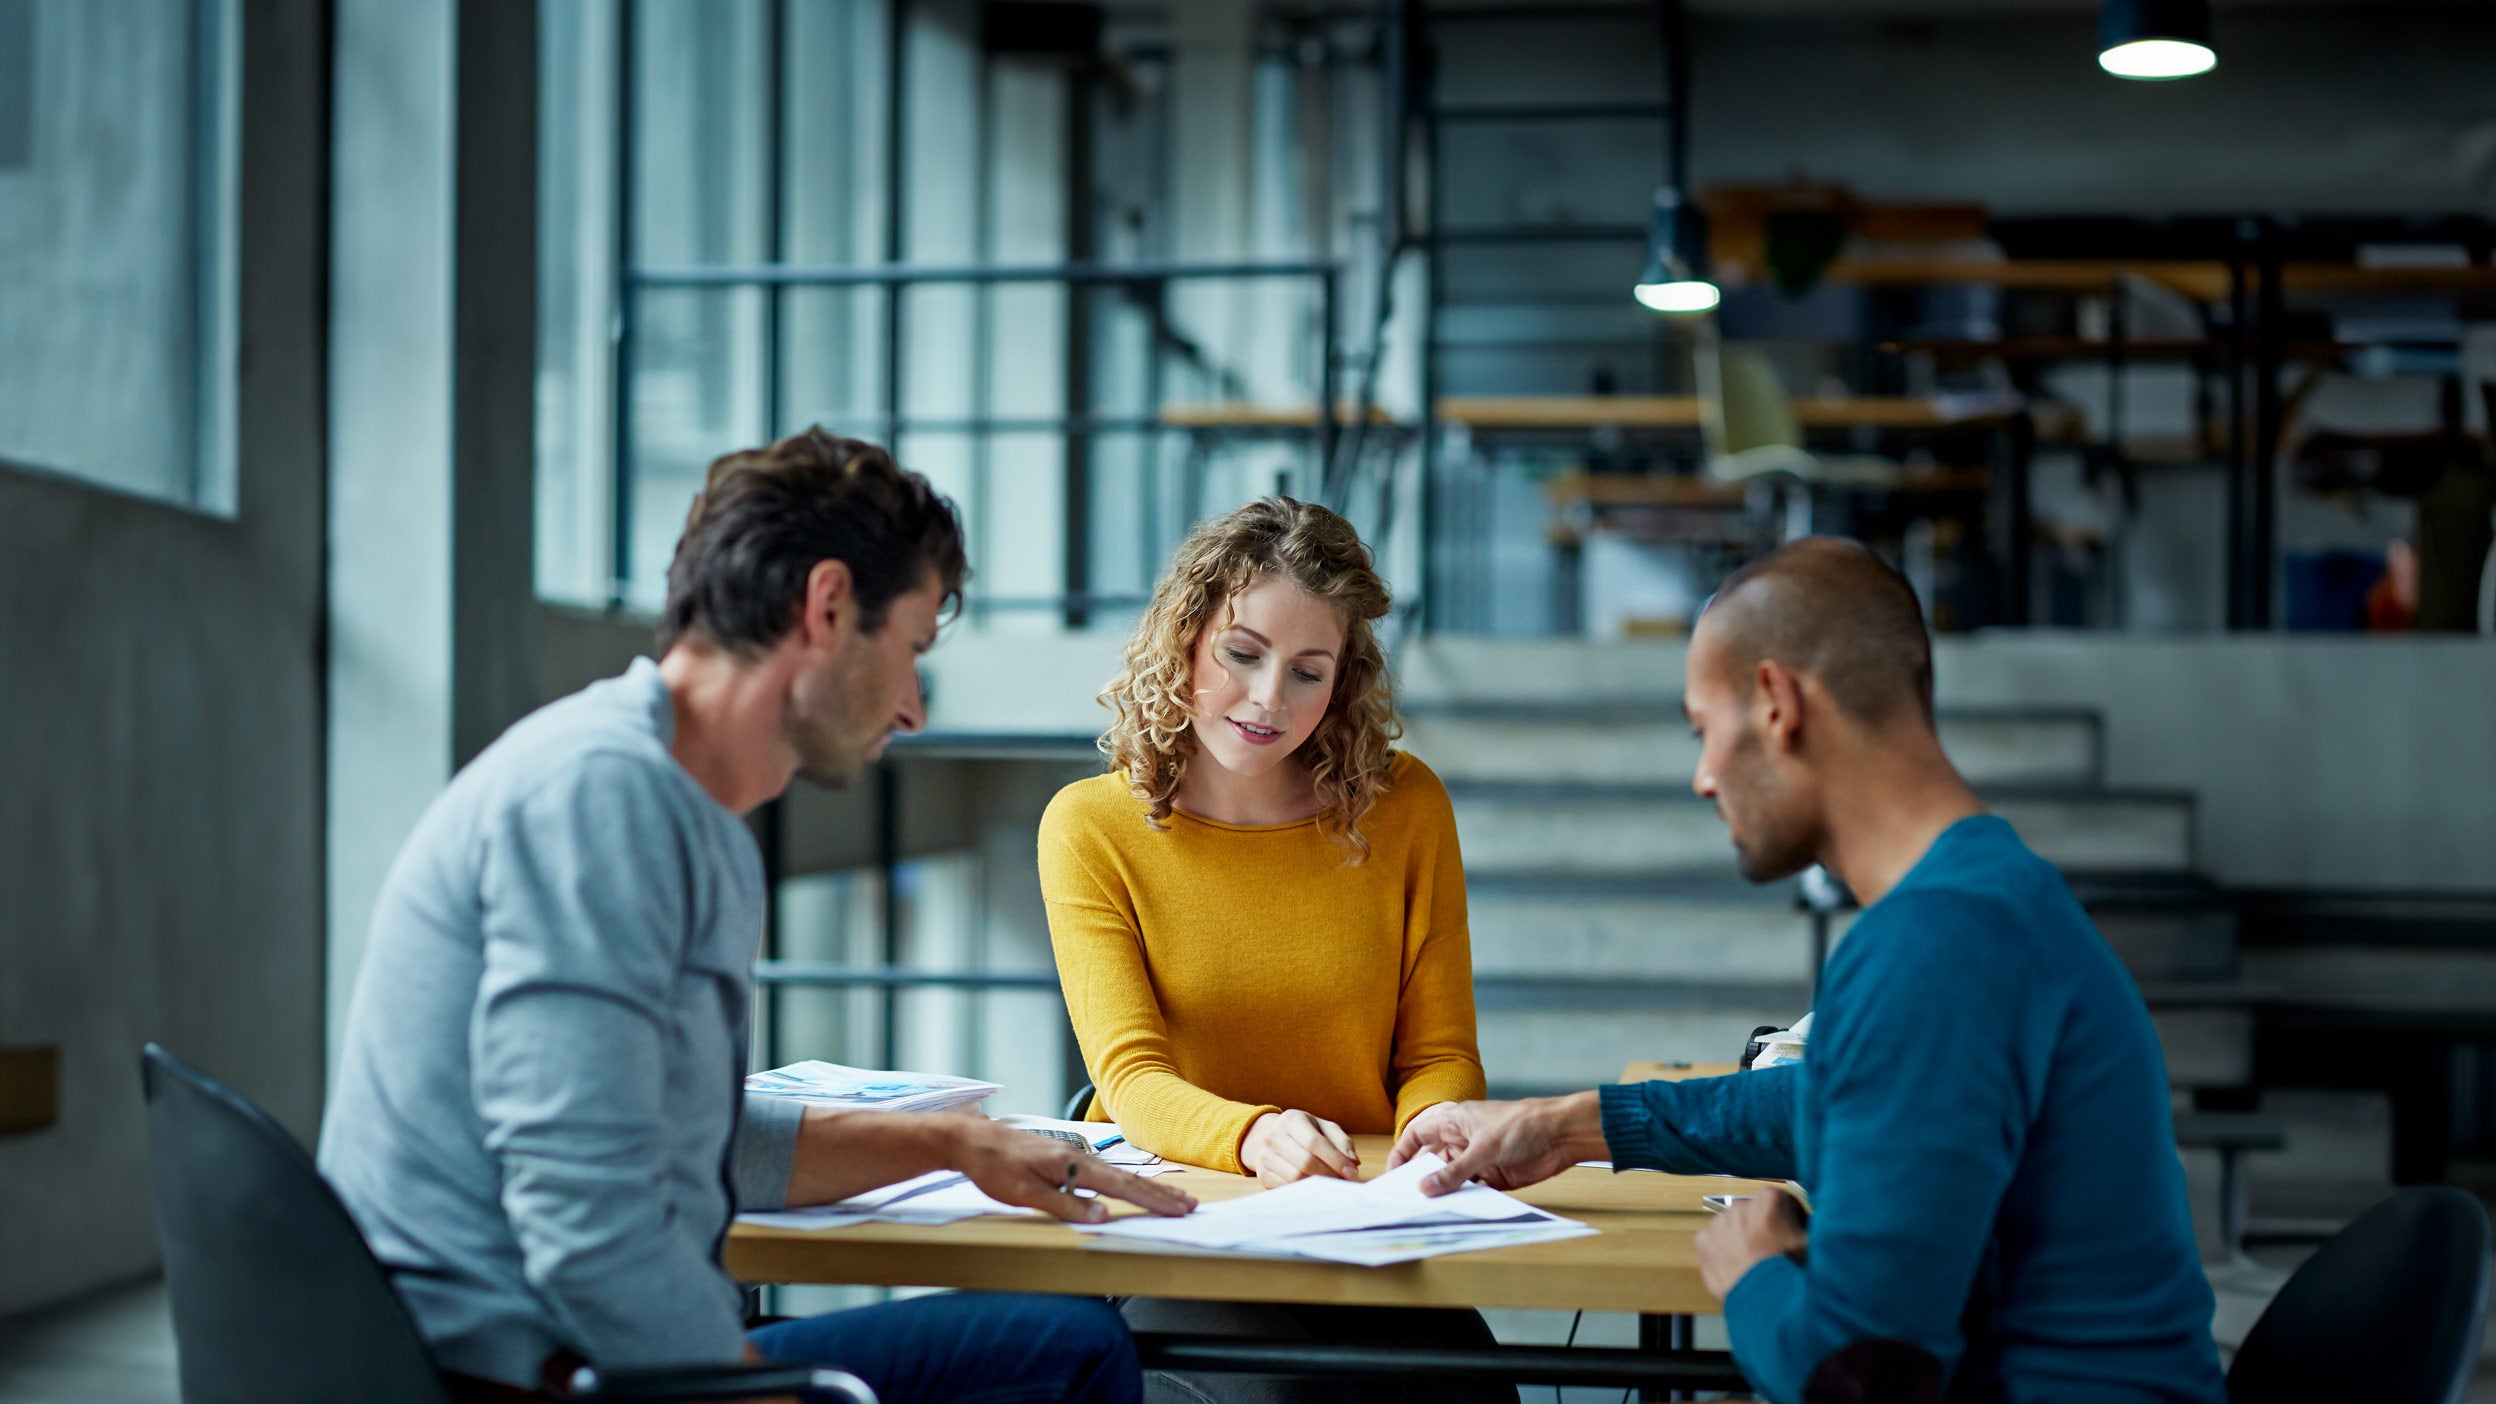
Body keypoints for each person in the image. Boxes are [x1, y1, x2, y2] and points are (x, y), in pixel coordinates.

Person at [319, 429, 1194, 1404]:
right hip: (514, 1373)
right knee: (1069, 1355)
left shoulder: (662, 800)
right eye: (909, 650)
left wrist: (953, 1143)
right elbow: (588, 1219)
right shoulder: (602, 802)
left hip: (559, 1348)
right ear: (825, 607)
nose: (912, 708)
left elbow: (667, 1133)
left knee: (1060, 1343)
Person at [1389, 538, 2225, 1404]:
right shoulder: (1989, 890)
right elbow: (1837, 1099)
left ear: (1778, 703)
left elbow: (1861, 1380)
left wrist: (1753, 1276)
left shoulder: (1933, 948)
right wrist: (1567, 1126)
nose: (1704, 777)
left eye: (1705, 730)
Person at [1036, 497, 1497, 1404]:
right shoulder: (1091, 826)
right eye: (1241, 654)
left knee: (1474, 1392)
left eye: (1307, 672)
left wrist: (1430, 1137)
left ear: (1343, 683)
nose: (1267, 700)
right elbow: (1129, 1077)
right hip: (1186, 1221)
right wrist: (1252, 1136)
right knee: (1280, 1397)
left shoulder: (1406, 807)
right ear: (1184, 641)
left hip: (1364, 1216)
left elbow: (1441, 1053)